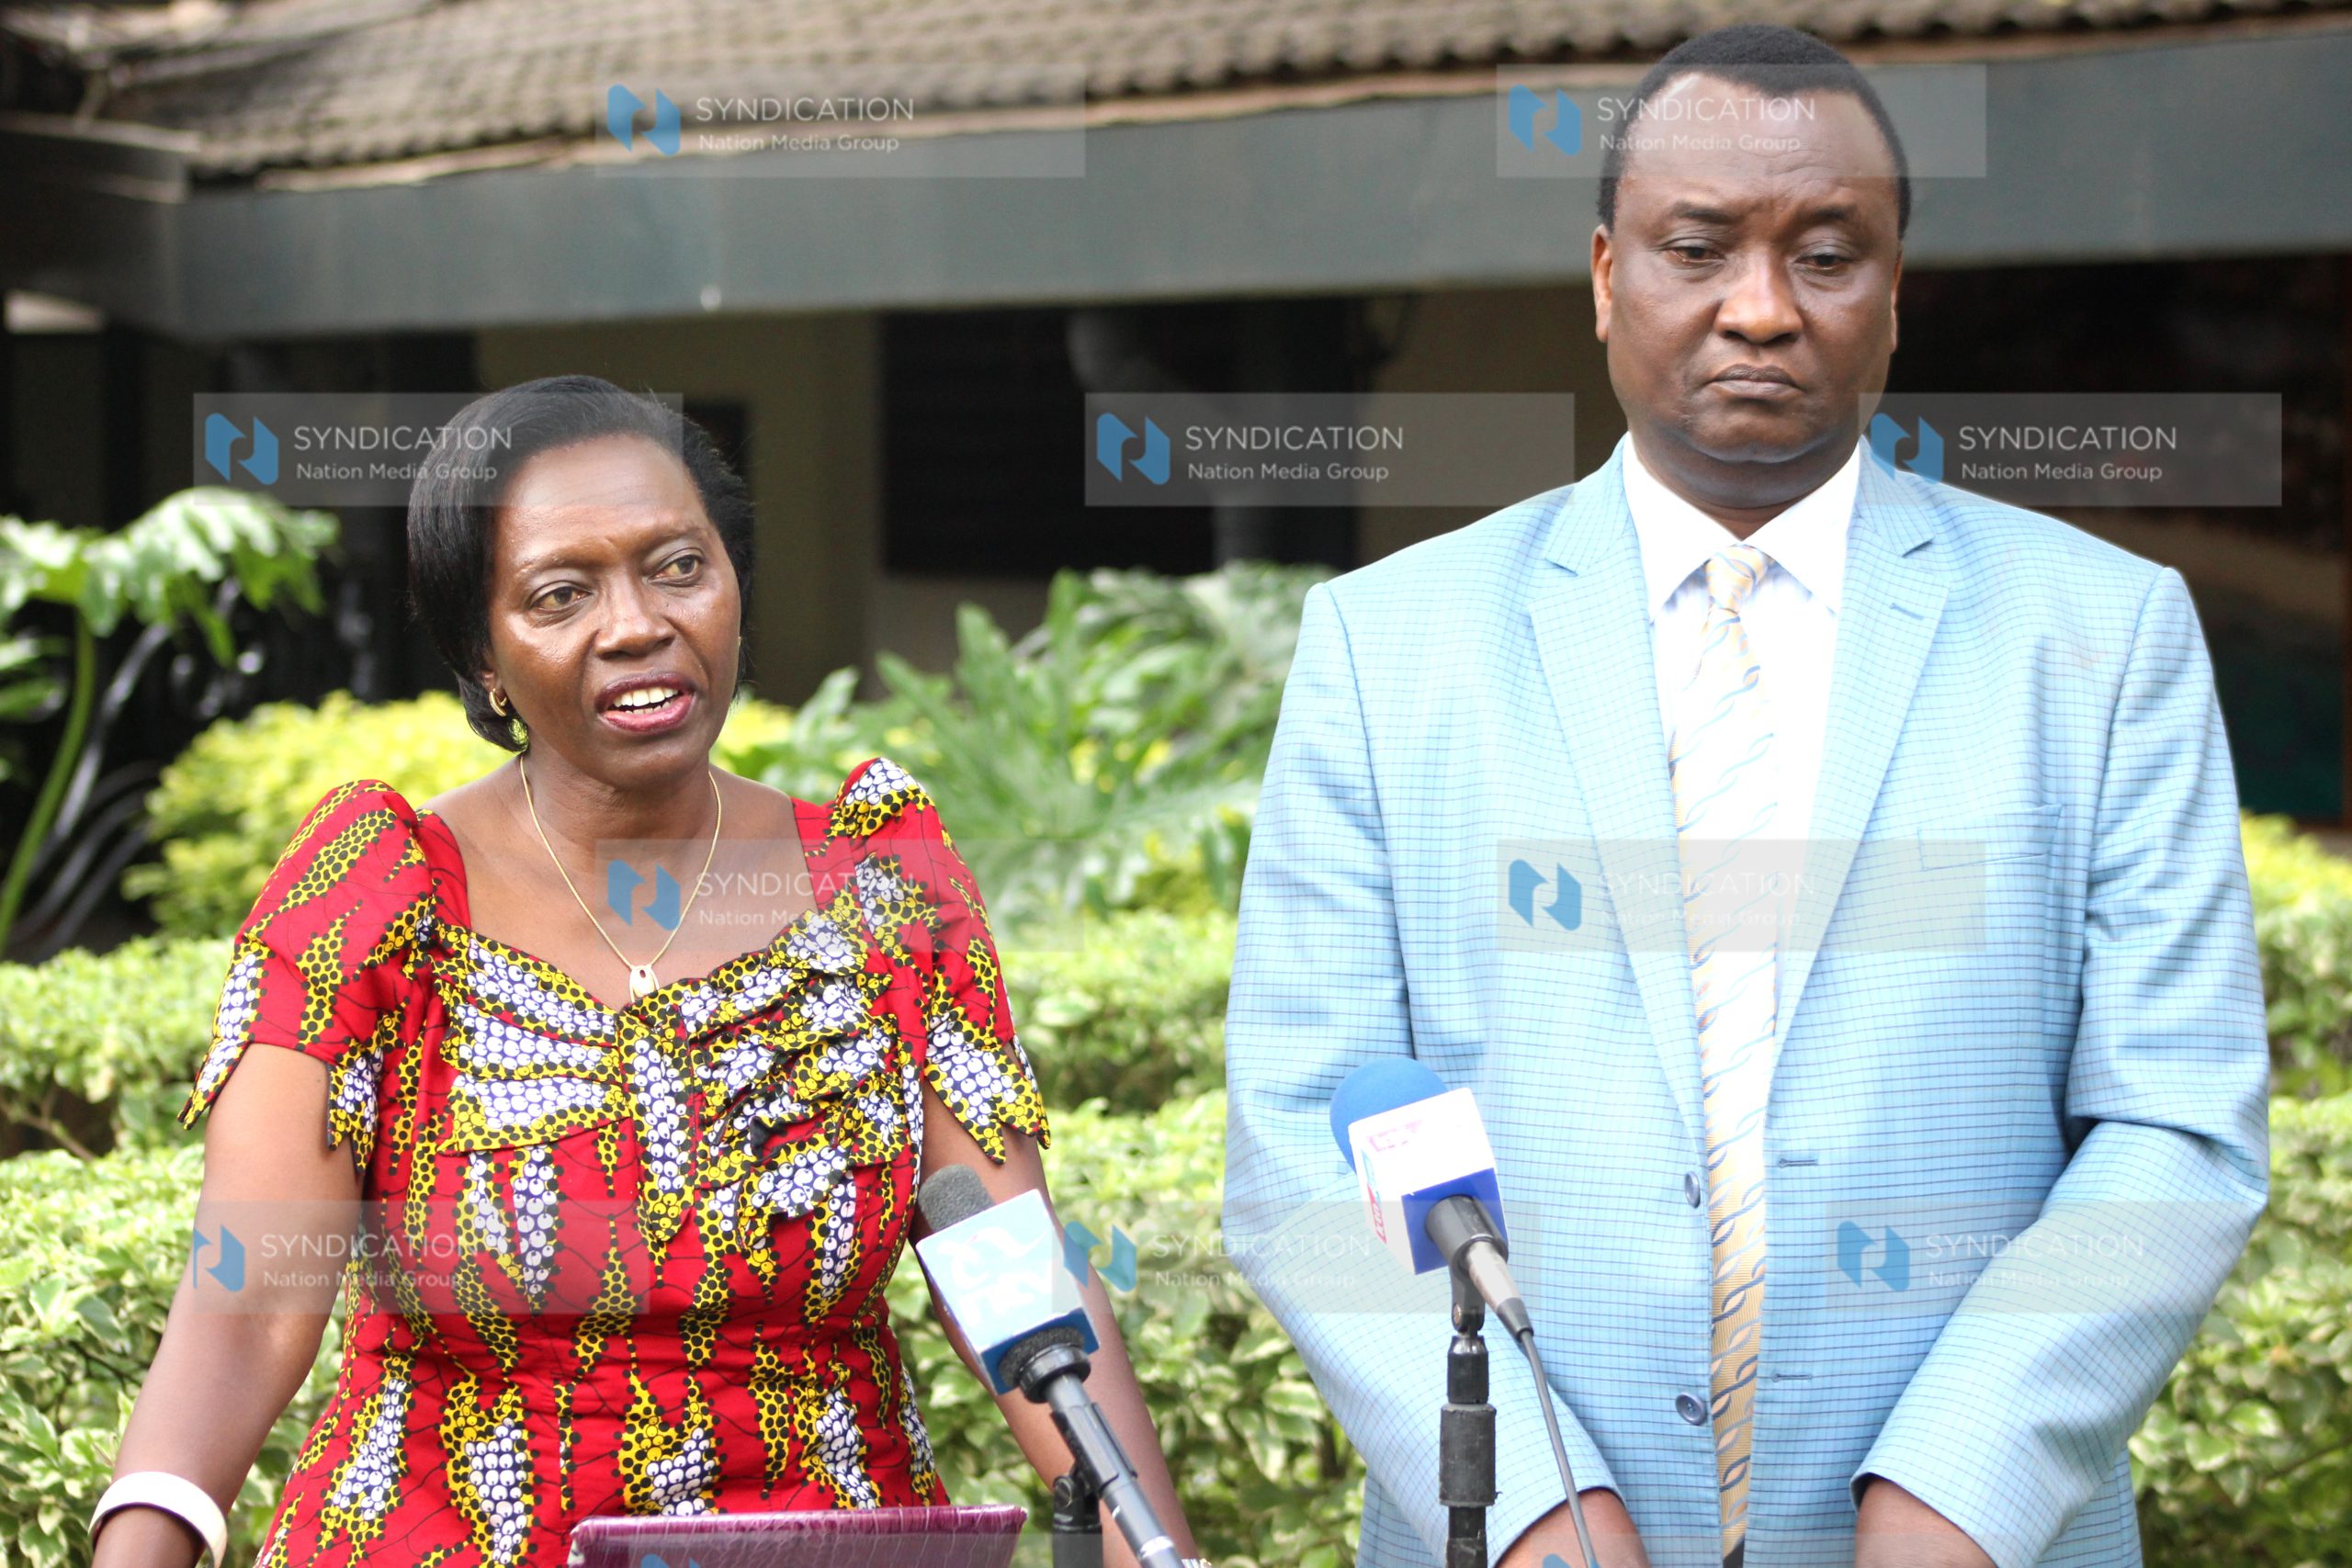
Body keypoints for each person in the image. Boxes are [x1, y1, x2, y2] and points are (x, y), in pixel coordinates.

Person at [1222, 24, 2267, 1568]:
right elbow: (1309, 1134)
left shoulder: (2101, 640)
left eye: (1828, 255)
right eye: (1697, 248)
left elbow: (2176, 1128)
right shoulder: (1390, 649)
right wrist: (1531, 1507)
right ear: (1602, 275)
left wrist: (1958, 1485)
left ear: (1896, 289)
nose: (1761, 309)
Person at [91, 377, 1202, 1568]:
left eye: (678, 567)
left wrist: (1155, 1551)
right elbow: (246, 1303)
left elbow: (1013, 1277)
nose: (635, 624)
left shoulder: (880, 885)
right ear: (484, 656)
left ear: (735, 589)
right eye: (562, 594)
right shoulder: (383, 896)